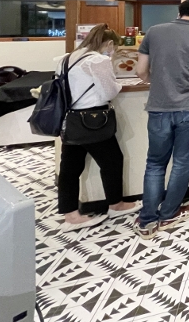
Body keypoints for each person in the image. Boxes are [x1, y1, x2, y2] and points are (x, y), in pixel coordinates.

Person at [134, 0, 189, 239]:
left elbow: (141, 71)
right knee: (182, 162)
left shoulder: (154, 31)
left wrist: (158, 81)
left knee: (155, 163)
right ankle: (169, 213)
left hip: (159, 108)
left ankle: (148, 219)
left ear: (179, 12)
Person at [57, 24, 141, 231]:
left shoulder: (67, 58)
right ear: (109, 43)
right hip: (94, 120)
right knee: (112, 161)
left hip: (71, 119)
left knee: (69, 168)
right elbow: (108, 92)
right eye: (114, 47)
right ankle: (116, 204)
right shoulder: (99, 60)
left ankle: (70, 215)